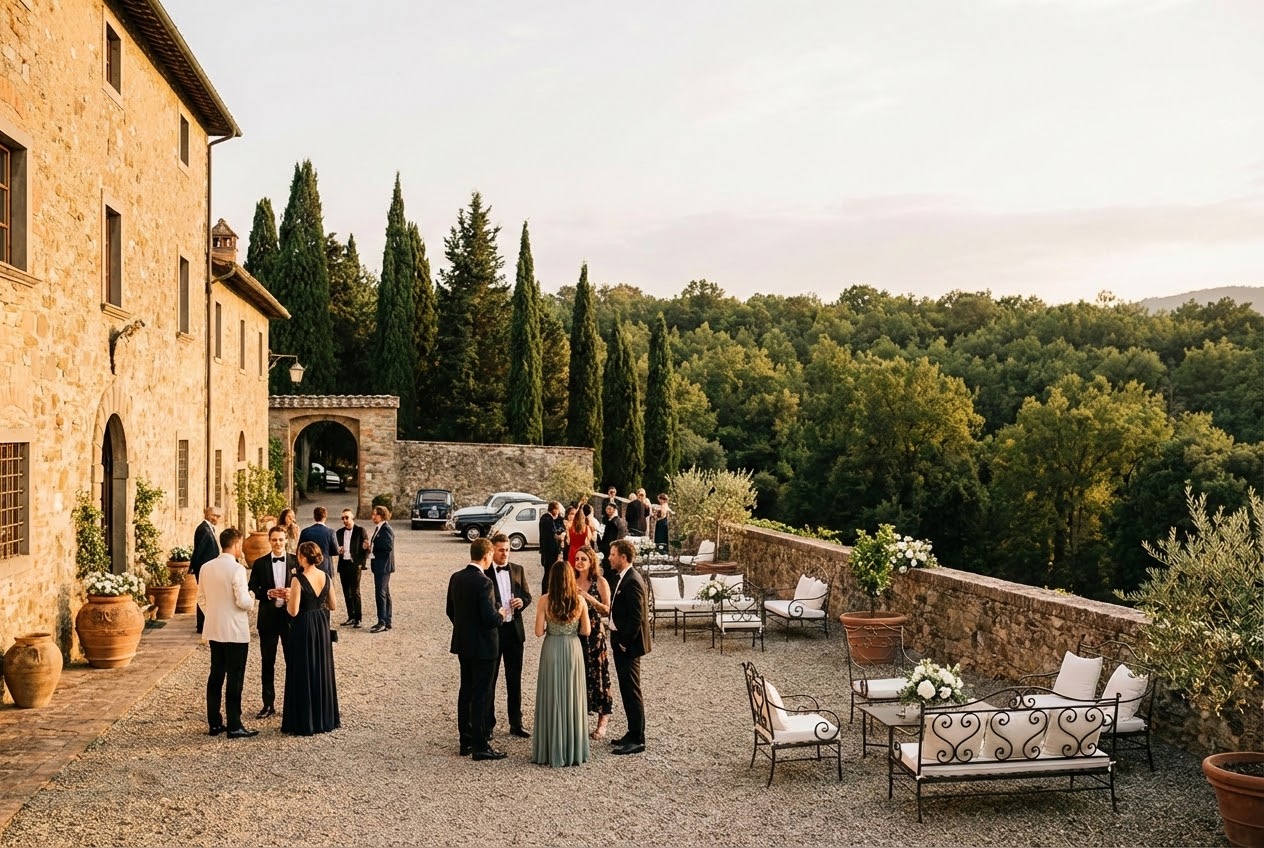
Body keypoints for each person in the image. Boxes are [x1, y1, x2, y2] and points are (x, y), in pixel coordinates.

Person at [531, 552, 592, 768]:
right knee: (572, 696)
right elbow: (586, 630)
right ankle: (572, 749)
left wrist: (551, 626)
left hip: (552, 648)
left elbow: (538, 632)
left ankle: (550, 748)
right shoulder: (580, 600)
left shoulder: (545, 600)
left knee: (552, 695)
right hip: (573, 648)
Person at [447, 538, 505, 761]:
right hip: (484, 646)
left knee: (466, 691)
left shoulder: (456, 578)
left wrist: (464, 628)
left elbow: (450, 610)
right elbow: (489, 618)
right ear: (487, 556)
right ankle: (480, 745)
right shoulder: (485, 583)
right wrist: (501, 614)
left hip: (464, 643)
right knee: (481, 694)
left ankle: (466, 740)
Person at [197, 527, 257, 739]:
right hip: (235, 632)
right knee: (235, 678)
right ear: (237, 544)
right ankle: (234, 724)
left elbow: (201, 599)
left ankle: (214, 723)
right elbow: (242, 601)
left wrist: (214, 614)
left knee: (215, 676)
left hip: (214, 629)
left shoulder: (205, 567)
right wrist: (252, 599)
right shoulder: (237, 569)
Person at [281, 541, 341, 736]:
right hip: (321, 625)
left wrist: (288, 598)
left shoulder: (297, 579)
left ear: (303, 558)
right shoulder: (325, 576)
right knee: (321, 668)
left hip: (304, 626)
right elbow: (333, 605)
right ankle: (323, 717)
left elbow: (293, 610)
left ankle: (304, 720)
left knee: (303, 669)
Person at [485, 533, 532, 739]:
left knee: (514, 680)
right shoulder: (484, 572)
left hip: (514, 632)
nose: (505, 553)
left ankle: (516, 723)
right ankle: (488, 724)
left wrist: (522, 602)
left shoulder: (518, 570)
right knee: (490, 680)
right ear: (492, 550)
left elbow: (527, 596)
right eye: (501, 549)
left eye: (507, 550)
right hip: (493, 634)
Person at [606, 538, 650, 755]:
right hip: (619, 641)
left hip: (628, 646)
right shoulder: (622, 577)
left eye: (612, 554)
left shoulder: (632, 580)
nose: (609, 557)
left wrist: (623, 642)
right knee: (626, 689)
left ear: (623, 557)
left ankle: (638, 738)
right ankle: (631, 732)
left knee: (632, 690)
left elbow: (637, 617)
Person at [247, 526, 294, 720]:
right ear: (269, 540)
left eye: (281, 540)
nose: (278, 543)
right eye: (274, 540)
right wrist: (266, 593)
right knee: (268, 663)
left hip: (290, 618)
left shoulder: (295, 561)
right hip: (267, 619)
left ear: (286, 540)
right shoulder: (259, 563)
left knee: (293, 662)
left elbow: (304, 584)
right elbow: (251, 588)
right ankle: (268, 704)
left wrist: (293, 593)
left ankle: (293, 704)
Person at [572, 546, 613, 740]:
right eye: (577, 558)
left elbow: (607, 609)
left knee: (598, 675)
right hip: (575, 633)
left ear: (591, 562)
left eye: (583, 559)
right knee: (578, 677)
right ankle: (578, 720)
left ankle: (602, 721)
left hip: (595, 633)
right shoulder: (570, 580)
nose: (579, 562)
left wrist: (587, 597)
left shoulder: (600, 582)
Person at [190, 506, 222, 635]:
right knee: (204, 596)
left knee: (209, 596)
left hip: (209, 568)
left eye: (218, 516)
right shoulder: (203, 529)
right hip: (205, 569)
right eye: (214, 515)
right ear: (207, 514)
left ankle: (206, 623)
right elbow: (199, 551)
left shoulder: (209, 528)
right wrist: (197, 569)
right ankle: (202, 625)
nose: (216, 518)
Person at [335, 508, 367, 628]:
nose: (344, 520)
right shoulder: (339, 532)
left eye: (346, 517)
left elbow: (366, 548)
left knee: (355, 592)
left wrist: (361, 564)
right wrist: (338, 550)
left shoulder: (360, 530)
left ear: (352, 517)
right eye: (343, 518)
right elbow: (335, 548)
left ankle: (358, 618)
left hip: (355, 565)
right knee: (346, 592)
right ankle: (351, 616)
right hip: (343, 565)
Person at [366, 505, 395, 633]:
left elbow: (388, 547)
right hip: (380, 565)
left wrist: (374, 549)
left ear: (380, 515)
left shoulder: (386, 529)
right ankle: (387, 620)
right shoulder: (380, 528)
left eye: (374, 514)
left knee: (381, 593)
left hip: (383, 566)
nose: (372, 517)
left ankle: (382, 621)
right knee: (385, 593)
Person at [298, 507, 338, 579]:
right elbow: (335, 551)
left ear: (314, 517)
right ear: (325, 517)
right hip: (325, 567)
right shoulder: (330, 532)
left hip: (308, 566)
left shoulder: (305, 532)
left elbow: (299, 550)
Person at [598, 502, 627, 571]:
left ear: (614, 510)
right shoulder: (618, 520)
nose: (608, 510)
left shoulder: (612, 522)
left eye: (610, 509)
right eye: (607, 509)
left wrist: (601, 544)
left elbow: (609, 538)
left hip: (610, 548)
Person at [538, 501, 564, 574]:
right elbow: (554, 534)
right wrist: (560, 536)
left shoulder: (551, 518)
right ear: (553, 510)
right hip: (548, 550)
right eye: (557, 509)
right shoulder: (547, 519)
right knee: (548, 571)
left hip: (551, 549)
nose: (558, 512)